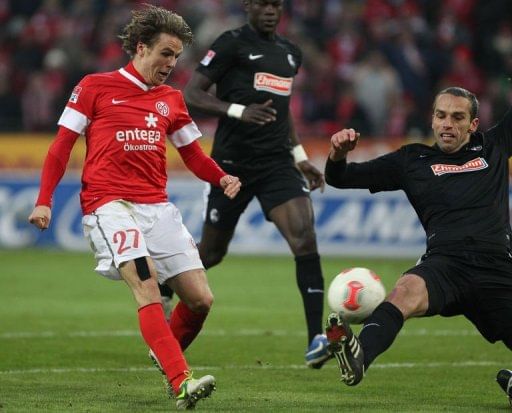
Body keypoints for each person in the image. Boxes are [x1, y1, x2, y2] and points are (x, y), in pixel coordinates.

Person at [27, 5, 241, 410]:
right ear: (141, 48)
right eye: (165, 53)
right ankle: (181, 381)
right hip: (109, 205)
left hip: (157, 208)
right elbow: (60, 147)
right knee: (146, 287)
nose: (172, 64)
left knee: (200, 299)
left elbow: (193, 155)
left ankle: (165, 350)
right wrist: (44, 201)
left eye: (177, 56)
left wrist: (221, 177)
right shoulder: (94, 86)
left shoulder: (171, 99)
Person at [323, 86, 512, 405]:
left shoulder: (494, 146)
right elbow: (341, 178)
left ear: (473, 125)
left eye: (457, 117)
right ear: (432, 120)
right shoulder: (412, 160)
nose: (447, 124)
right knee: (406, 289)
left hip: (497, 269)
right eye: (441, 116)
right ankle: (359, 358)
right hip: (446, 265)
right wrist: (338, 154)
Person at [181, 0, 329, 368]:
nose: (270, 11)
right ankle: (169, 284)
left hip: (278, 165)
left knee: (305, 237)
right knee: (213, 253)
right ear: (248, 6)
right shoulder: (231, 43)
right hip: (232, 164)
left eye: (276, 4)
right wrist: (237, 110)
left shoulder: (290, 53)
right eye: (263, 4)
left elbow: (283, 111)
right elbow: (192, 93)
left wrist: (299, 158)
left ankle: (316, 338)